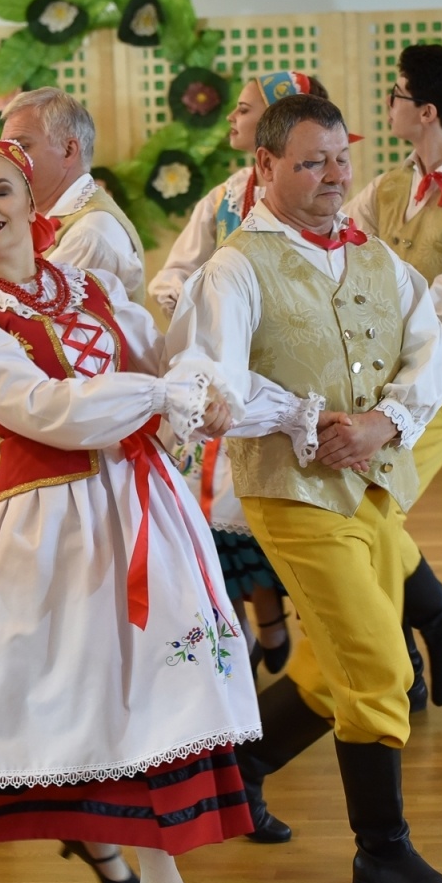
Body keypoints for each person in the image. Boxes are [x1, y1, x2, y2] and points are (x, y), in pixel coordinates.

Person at [0, 138, 259, 883]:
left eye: (1, 190)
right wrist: (162, 395)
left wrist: (225, 397)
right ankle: (153, 879)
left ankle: (141, 867)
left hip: (141, 507)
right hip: (53, 525)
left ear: (31, 199)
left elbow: (168, 362)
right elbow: (49, 410)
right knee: (82, 693)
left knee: (147, 689)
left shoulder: (94, 290)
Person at [168, 95, 442, 883]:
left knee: (334, 670)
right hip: (290, 492)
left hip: (373, 484)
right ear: (264, 167)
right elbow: (210, 379)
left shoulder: (376, 258)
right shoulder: (234, 266)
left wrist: (383, 422)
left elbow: (428, 352)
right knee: (378, 664)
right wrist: (303, 420)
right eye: (312, 162)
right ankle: (382, 850)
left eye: (340, 158)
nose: (335, 176)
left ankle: (243, 768)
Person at [151, 71, 341, 679]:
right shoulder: (224, 199)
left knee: (285, 512)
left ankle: (306, 635)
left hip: (287, 374)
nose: (231, 118)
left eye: (245, 109)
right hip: (228, 370)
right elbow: (181, 266)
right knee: (217, 514)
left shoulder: (315, 206)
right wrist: (184, 294)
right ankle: (240, 640)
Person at [346, 44, 442, 707]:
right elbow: (339, 254)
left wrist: (389, 343)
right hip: (386, 384)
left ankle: (421, 635)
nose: (389, 105)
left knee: (378, 511)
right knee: (368, 511)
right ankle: (429, 627)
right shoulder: (383, 188)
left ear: (427, 112)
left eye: (397, 94)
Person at [0, 87, 144, 300]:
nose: (9, 160)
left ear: (68, 151)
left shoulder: (89, 233)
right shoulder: (42, 216)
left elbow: (33, 313)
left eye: (22, 146)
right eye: (6, 149)